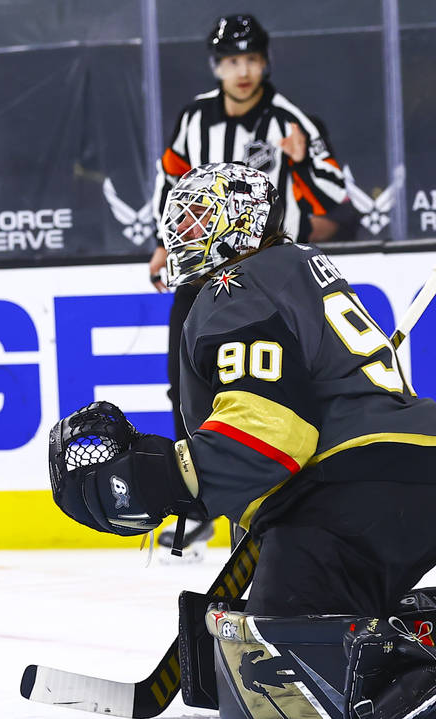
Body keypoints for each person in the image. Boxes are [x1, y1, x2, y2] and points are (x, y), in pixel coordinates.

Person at [47, 163, 436, 719]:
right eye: (180, 219)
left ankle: (398, 673)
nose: (182, 233)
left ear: (240, 222)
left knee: (273, 657)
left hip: (353, 498)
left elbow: (273, 434)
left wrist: (162, 477)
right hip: (417, 488)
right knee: (288, 632)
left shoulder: (235, 290)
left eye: (199, 218)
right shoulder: (293, 269)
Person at [147, 15, 356, 557]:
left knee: (271, 386)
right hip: (200, 270)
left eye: (252, 59)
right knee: (189, 384)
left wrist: (302, 158)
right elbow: (171, 184)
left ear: (265, 62)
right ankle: (201, 504)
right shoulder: (195, 118)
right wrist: (166, 243)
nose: (243, 71)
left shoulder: (289, 120)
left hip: (266, 275)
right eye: (232, 61)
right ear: (218, 67)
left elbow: (339, 195)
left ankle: (272, 499)